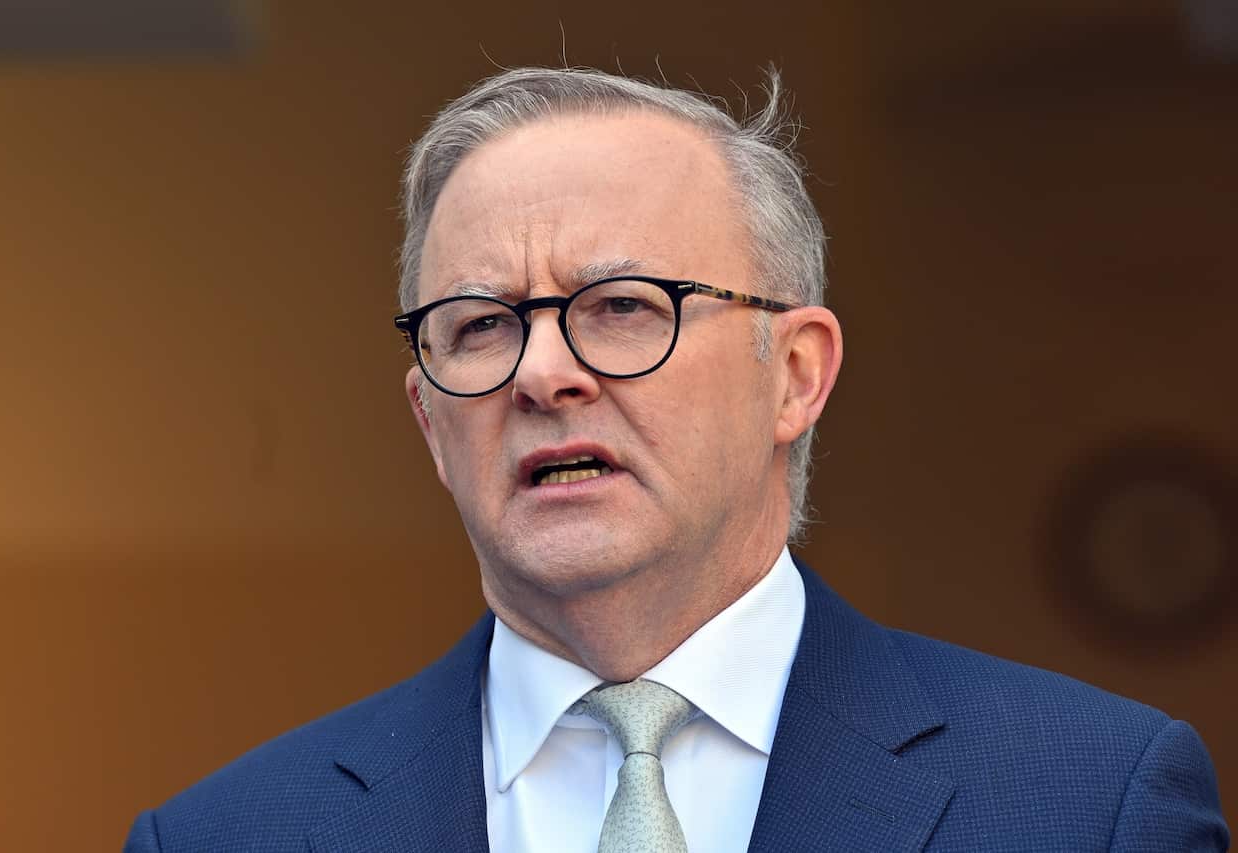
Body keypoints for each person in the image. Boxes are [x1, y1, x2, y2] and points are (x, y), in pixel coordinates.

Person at [124, 66, 1229, 853]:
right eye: (478, 325)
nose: (542, 372)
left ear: (793, 374)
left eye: (619, 306)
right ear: (428, 422)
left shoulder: (1089, 804)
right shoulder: (225, 833)